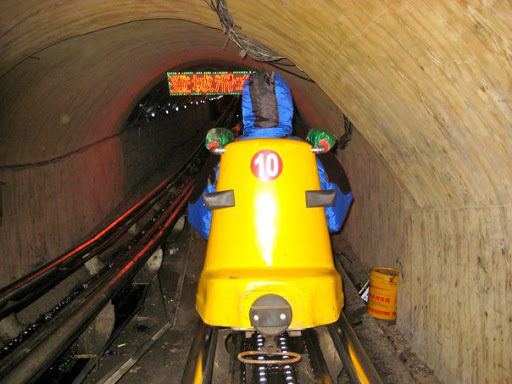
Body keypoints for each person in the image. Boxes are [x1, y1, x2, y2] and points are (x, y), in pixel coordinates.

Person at [188, 69, 352, 239]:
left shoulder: (225, 156)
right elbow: (335, 220)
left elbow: (201, 221)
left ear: (247, 110)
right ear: (287, 107)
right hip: (302, 251)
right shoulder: (309, 153)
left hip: (236, 252)